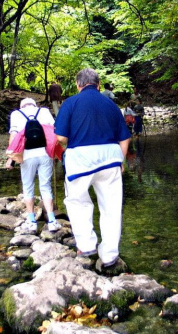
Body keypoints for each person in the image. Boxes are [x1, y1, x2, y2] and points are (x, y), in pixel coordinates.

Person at [55, 68, 131, 268]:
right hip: (110, 160)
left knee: (78, 202)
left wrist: (67, 148)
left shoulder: (70, 103)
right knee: (111, 208)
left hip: (80, 161)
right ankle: (109, 256)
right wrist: (121, 161)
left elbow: (61, 137)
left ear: (78, 84)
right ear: (98, 85)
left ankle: (87, 245)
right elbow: (125, 137)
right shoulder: (111, 105)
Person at [6, 98, 62, 233]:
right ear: (34, 104)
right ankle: (52, 221)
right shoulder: (44, 111)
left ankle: (31, 221)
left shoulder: (16, 114)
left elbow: (14, 136)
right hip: (45, 154)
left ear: (22, 106)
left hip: (26, 155)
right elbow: (54, 132)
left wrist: (11, 159)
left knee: (28, 186)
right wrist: (56, 153)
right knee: (45, 186)